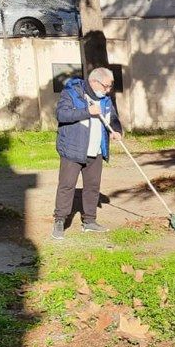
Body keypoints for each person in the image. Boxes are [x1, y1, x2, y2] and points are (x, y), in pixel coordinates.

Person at [51, 67, 123, 240]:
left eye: (110, 87)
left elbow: (112, 117)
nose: (108, 90)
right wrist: (87, 112)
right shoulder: (72, 92)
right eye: (106, 86)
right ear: (94, 82)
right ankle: (60, 221)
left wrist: (117, 130)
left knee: (92, 186)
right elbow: (61, 114)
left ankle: (89, 221)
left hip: (96, 149)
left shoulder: (105, 99)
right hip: (73, 148)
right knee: (67, 185)